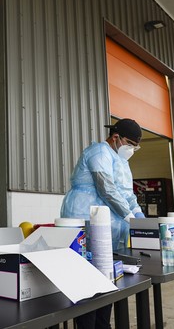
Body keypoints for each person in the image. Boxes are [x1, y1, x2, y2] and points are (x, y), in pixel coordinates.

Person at [60, 118, 145, 329]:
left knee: (107, 280)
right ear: (116, 137)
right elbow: (106, 188)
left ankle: (102, 325)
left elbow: (127, 194)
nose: (131, 150)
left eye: (135, 147)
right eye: (129, 144)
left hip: (110, 230)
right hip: (85, 220)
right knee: (87, 282)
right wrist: (127, 215)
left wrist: (139, 215)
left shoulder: (122, 162)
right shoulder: (98, 152)